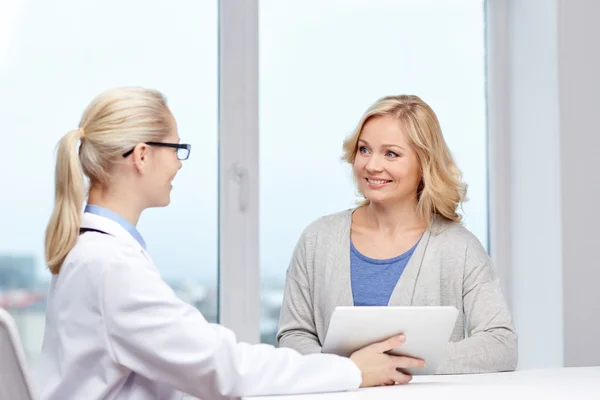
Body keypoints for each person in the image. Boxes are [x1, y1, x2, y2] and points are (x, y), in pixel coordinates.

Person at [36, 87, 425, 400]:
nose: (178, 164)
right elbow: (225, 369)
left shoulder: (96, 253)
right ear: (141, 155)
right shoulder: (110, 266)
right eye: (176, 149)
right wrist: (352, 370)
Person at [277, 95, 518, 375]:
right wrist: (352, 371)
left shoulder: (458, 247)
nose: (372, 166)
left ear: (424, 164)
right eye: (364, 150)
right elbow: (293, 336)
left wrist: (397, 364)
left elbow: (501, 344)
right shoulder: (318, 239)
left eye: (391, 153)